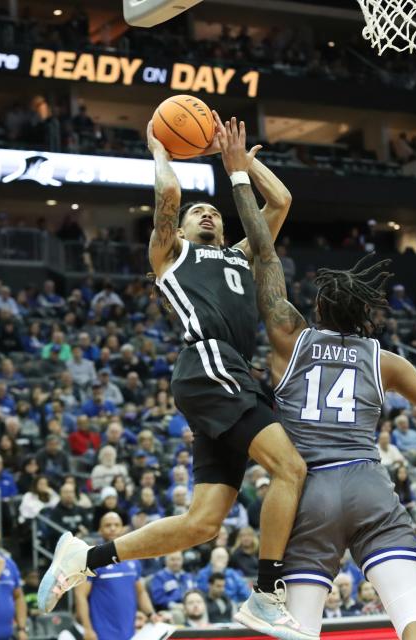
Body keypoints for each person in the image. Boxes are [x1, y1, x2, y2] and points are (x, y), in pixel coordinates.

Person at [40, 116, 311, 639]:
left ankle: (85, 555)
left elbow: (280, 204)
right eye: (197, 214)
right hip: (210, 365)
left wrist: (242, 160)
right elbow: (168, 194)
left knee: (203, 523)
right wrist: (160, 148)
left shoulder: (240, 255)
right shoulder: (172, 255)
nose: (207, 214)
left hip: (232, 374)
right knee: (290, 468)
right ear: (180, 231)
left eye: (214, 212)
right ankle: (267, 593)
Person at [224, 119, 416, 640]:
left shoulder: (290, 337)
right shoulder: (384, 359)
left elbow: (265, 254)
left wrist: (238, 176)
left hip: (309, 491)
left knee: (300, 630)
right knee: (413, 617)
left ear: (316, 306)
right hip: (368, 483)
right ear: (366, 315)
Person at [73, 513, 155, 640]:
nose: (112, 528)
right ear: (100, 530)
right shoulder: (91, 559)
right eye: (108, 525)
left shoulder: (133, 559)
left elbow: (141, 592)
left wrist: (151, 614)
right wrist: (87, 629)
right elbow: (80, 595)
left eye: (116, 525)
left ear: (122, 529)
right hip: (101, 633)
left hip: (129, 632)